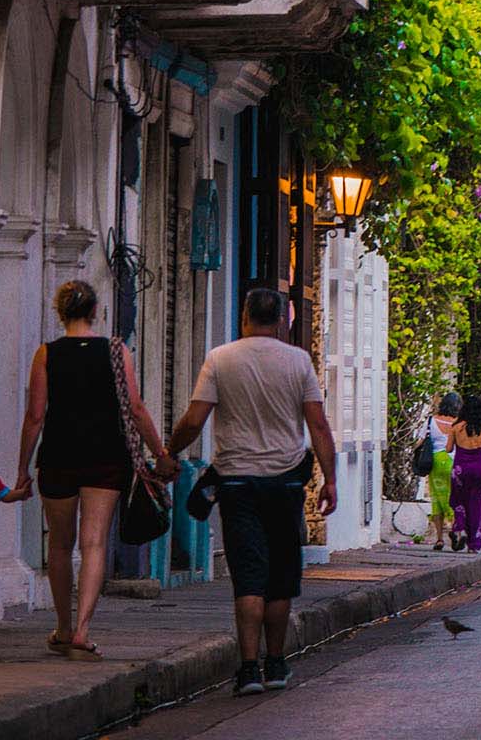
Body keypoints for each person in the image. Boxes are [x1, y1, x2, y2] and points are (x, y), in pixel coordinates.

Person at [166, 286, 335, 696]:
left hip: (237, 482)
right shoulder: (298, 361)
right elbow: (317, 425)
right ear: (280, 321)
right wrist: (329, 479)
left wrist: (169, 452)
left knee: (248, 576)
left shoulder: (220, 359)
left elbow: (194, 420)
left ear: (244, 316)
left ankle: (247, 669)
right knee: (280, 577)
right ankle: (275, 663)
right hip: (285, 483)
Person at [13, 279, 173, 661]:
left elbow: (35, 416)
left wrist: (22, 470)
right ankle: (83, 631)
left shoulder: (46, 354)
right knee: (94, 543)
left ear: (60, 312)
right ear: (95, 311)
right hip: (106, 460)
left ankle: (63, 628)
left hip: (58, 459)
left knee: (59, 544)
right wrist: (160, 452)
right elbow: (136, 408)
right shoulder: (116, 351)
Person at [449, 395, 481, 552]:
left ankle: (460, 527)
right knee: (476, 505)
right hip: (478, 470)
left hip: (460, 469)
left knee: (459, 500)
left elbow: (448, 448)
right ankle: (473, 544)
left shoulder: (455, 427)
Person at [428, 392, 461, 550]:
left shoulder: (431, 421)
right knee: (454, 497)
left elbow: (420, 440)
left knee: (437, 499)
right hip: (454, 461)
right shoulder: (459, 424)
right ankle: (456, 531)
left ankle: (439, 539)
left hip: (436, 462)